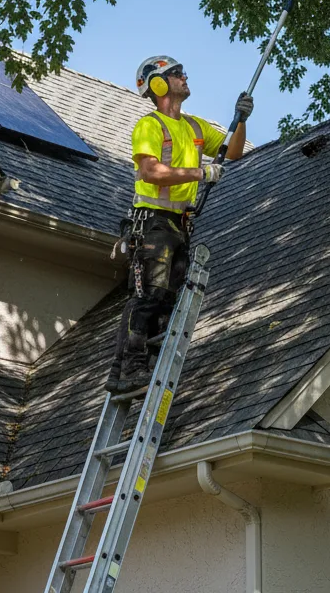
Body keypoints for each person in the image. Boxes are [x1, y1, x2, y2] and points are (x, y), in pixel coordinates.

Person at [106, 55, 253, 394]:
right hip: (153, 222)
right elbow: (150, 171)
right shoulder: (150, 125)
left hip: (180, 225)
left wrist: (241, 119)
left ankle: (141, 368)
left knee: (168, 299)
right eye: (176, 74)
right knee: (148, 293)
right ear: (157, 84)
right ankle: (128, 367)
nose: (184, 77)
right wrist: (199, 173)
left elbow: (233, 152)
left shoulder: (195, 127)